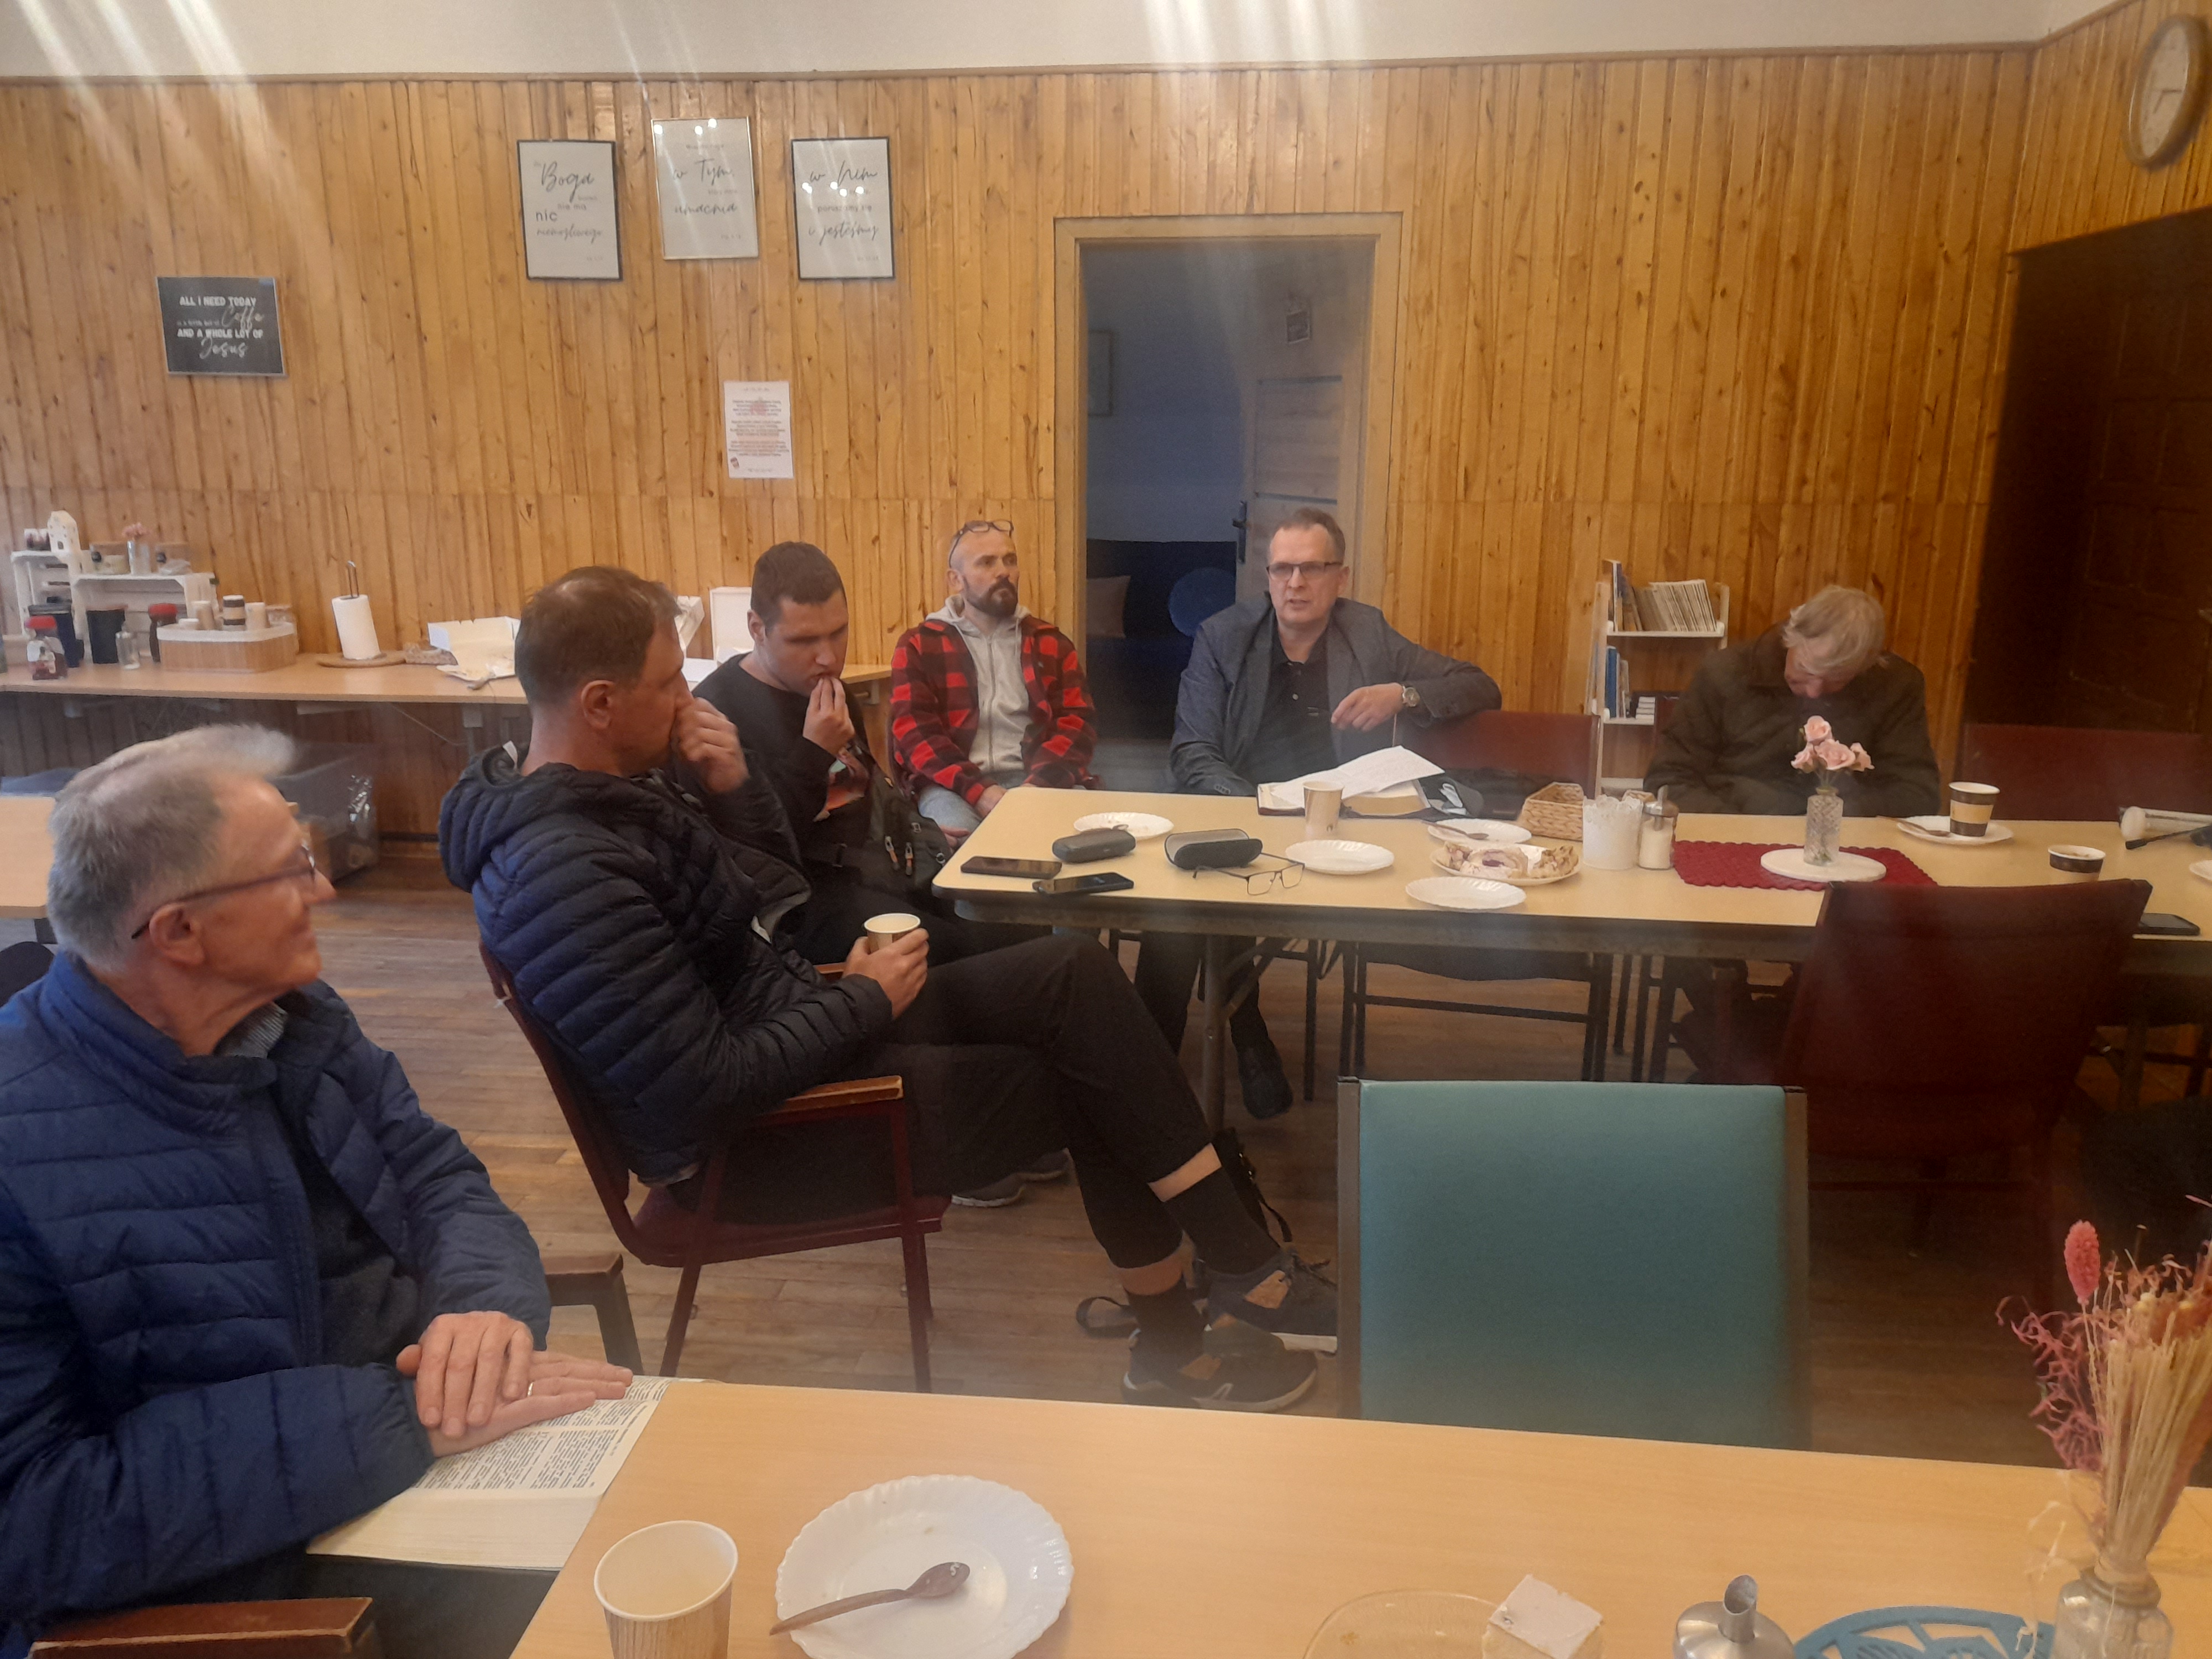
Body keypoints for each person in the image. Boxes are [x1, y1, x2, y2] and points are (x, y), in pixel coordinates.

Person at [441, 566, 1337, 1412]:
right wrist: (861, 1001)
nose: (687, 698)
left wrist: (736, 786)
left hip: (805, 1036)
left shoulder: (610, 798)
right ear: (600, 704)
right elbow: (698, 1089)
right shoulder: (564, 873)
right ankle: (1194, 1326)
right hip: (762, 1150)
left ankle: (1235, 1274)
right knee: (1090, 1078)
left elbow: (775, 893)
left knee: (1074, 974)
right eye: (670, 682)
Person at [0, 727, 632, 1657]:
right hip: (256, 1587)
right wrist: (399, 1418)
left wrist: (482, 1309)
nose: (324, 890)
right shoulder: (22, 1145)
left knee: (680, 1509)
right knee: (623, 1609)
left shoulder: (294, 1021)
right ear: (179, 932)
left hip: (419, 1453)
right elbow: (34, 1519)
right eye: (292, 869)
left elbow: (438, 1176)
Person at [1135, 507, 1502, 1117]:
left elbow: (1479, 684)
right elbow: (1192, 750)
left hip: (1334, 827)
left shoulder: (1368, 634)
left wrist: (1403, 694)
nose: (1295, 583)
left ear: (1341, 577)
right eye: (1282, 569)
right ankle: (1177, 1073)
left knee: (1207, 906)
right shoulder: (1223, 636)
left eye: (1311, 568)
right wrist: (1252, 810)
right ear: (1268, 576)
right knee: (1178, 912)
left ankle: (1231, 1039)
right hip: (1237, 805)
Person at [696, 541, 1024, 969]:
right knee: (962, 949)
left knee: (1010, 917)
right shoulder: (718, 715)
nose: (828, 657)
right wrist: (814, 753)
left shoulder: (831, 691)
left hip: (877, 870)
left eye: (839, 632)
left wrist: (919, 835)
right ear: (757, 628)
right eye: (804, 640)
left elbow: (865, 792)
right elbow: (752, 860)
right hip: (805, 902)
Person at [1645, 585, 1942, 817]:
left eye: (1836, 679)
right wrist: (1743, 828)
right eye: (1805, 670)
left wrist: (1831, 816)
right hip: (1738, 829)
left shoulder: (1895, 685)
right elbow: (1670, 779)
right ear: (1790, 638)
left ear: (1868, 666)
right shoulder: (1725, 674)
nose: (1814, 692)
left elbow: (1918, 793)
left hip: (1845, 841)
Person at [889, 518, 1098, 837]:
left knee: (1075, 838)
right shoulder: (919, 645)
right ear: (956, 580)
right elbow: (916, 735)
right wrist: (981, 791)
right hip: (954, 787)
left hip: (1037, 780)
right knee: (957, 846)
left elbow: (1077, 724)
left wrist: (1037, 788)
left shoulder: (1050, 643)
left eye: (1010, 560)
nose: (1004, 572)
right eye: (987, 563)